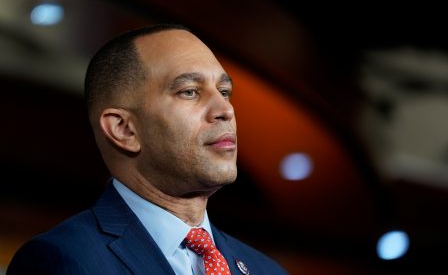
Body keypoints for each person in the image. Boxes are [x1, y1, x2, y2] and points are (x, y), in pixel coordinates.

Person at [6, 23, 288, 275]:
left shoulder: (266, 269)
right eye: (189, 91)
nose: (225, 109)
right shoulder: (63, 261)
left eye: (224, 91)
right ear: (124, 129)